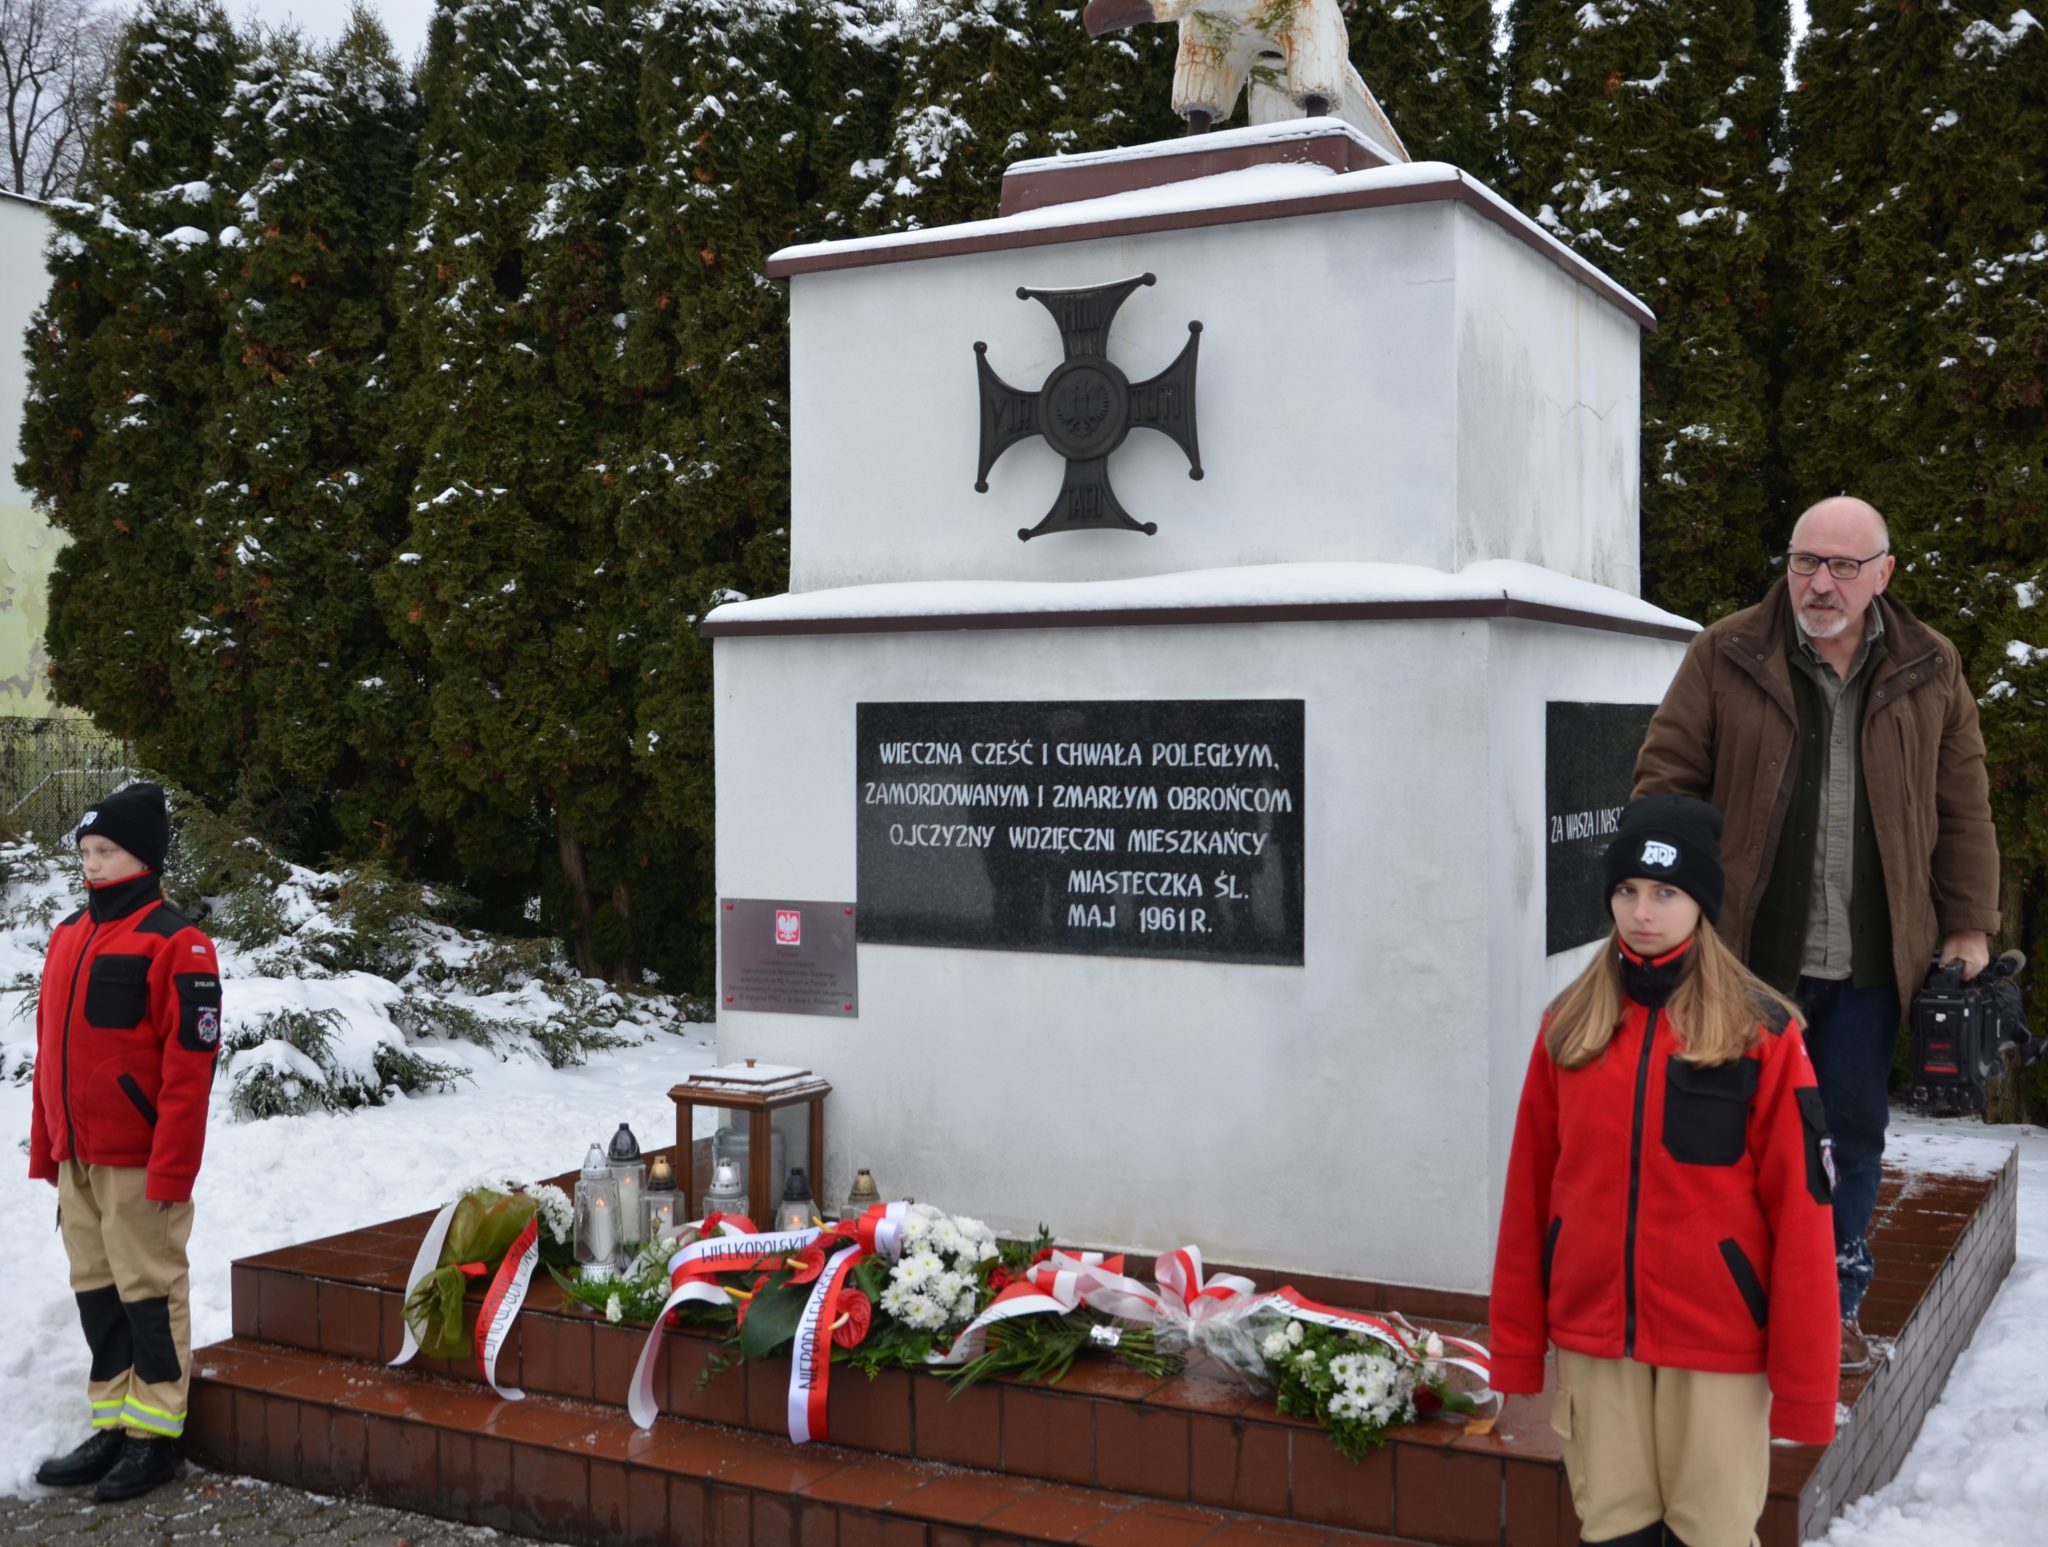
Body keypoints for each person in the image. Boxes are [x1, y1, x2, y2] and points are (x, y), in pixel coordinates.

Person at [1631, 495, 2000, 1371]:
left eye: (1842, 565)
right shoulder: (1726, 652)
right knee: (1723, 1132)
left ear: (1884, 574)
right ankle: (1722, 1299)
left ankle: (1825, 1302)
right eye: (1805, 561)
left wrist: (1969, 927)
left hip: (1871, 964)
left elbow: (1963, 808)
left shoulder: (1931, 665)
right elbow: (1664, 779)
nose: (1820, 582)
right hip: (1744, 958)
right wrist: (1661, 900)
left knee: (1850, 1133)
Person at [1490, 797, 1838, 1547]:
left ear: (1701, 903)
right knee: (1614, 1533)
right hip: (1594, 1341)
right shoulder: (1569, 1027)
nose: (1642, 911)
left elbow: (1805, 1217)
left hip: (1717, 1348)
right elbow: (1528, 1196)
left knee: (1710, 1535)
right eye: (1627, 891)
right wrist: (1518, 1342)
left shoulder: (1762, 1034)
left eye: (1665, 892)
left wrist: (1807, 1386)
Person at [28, 783, 224, 1501]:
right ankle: (114, 1418)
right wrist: (47, 1144)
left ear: (142, 854)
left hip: (141, 1160)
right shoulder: (68, 936)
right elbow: (51, 1052)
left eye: (105, 850)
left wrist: (172, 1167)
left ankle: (157, 1435)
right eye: (84, 851)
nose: (92, 864)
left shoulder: (179, 942)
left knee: (148, 1289)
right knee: (96, 1289)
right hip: (79, 1156)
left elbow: (187, 1072)